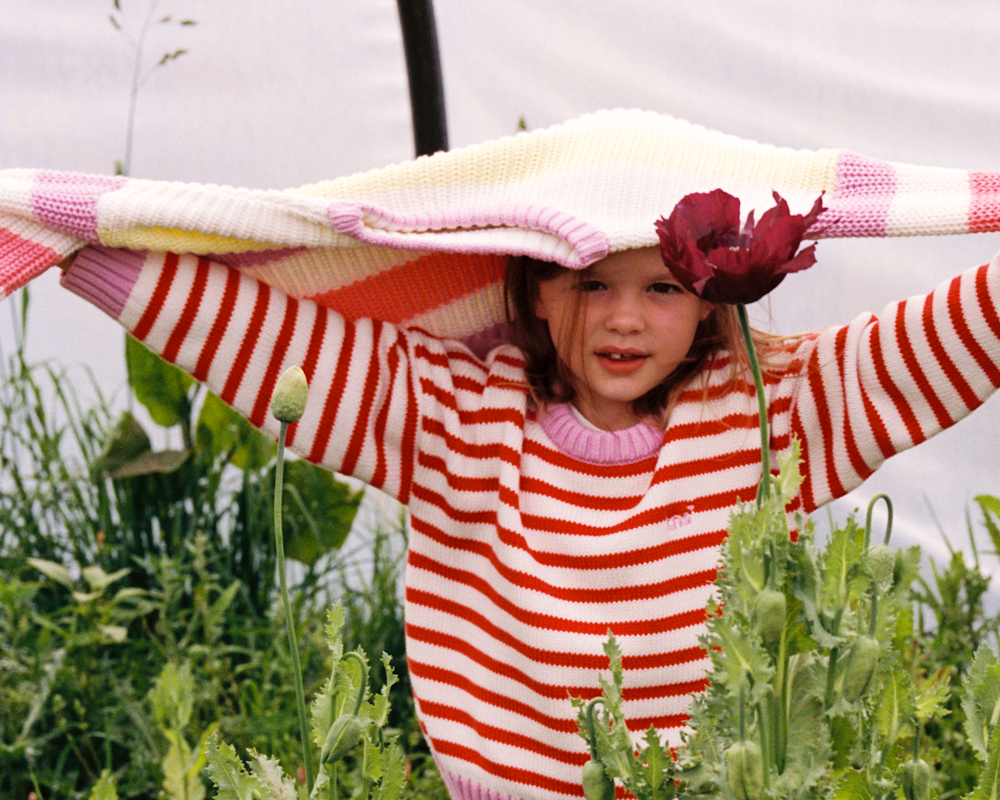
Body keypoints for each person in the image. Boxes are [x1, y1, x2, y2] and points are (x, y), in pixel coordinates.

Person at [10, 109, 1000, 800]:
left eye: (660, 286)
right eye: (587, 280)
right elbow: (271, 340)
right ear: (529, 284)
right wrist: (76, 241)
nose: (621, 318)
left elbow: (929, 345)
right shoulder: (458, 415)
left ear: (710, 297)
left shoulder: (766, 406)